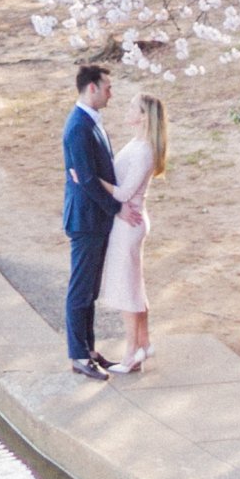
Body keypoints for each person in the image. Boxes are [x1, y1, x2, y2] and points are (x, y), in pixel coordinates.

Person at [96, 90, 167, 375]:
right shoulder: (138, 144)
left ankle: (131, 352)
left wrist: (93, 179)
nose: (126, 110)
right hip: (130, 222)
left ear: (142, 117)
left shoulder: (145, 150)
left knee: (127, 288)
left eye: (132, 107)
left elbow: (124, 192)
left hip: (129, 224)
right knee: (135, 284)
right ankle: (144, 342)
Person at [62, 61, 120, 377]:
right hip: (85, 220)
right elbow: (85, 178)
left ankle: (89, 349)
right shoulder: (78, 126)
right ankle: (78, 356)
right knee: (80, 288)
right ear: (93, 88)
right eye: (108, 88)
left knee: (90, 290)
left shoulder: (91, 121)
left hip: (95, 220)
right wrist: (115, 208)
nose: (111, 94)